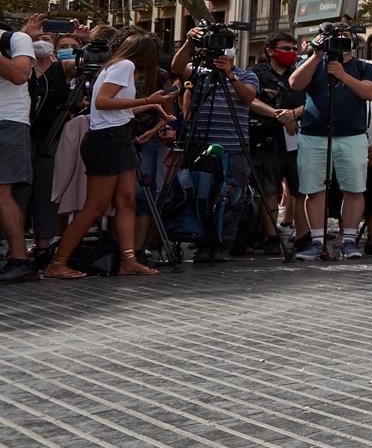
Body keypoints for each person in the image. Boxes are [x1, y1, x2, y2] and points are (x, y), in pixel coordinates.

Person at [44, 31, 175, 279]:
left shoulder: (116, 66)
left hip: (117, 137)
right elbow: (104, 102)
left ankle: (128, 259)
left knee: (127, 201)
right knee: (95, 207)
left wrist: (152, 105)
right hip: (107, 141)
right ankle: (58, 262)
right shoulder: (125, 66)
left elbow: (113, 111)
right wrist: (147, 99)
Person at [168, 25, 261, 262]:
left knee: (232, 197)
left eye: (228, 44)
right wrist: (189, 42)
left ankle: (223, 245)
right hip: (201, 145)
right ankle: (201, 242)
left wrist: (231, 76)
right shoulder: (199, 73)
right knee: (202, 194)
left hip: (235, 148)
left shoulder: (246, 74)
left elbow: (248, 97)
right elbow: (177, 68)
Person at [287, 33, 372, 259]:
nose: (339, 44)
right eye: (334, 40)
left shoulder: (363, 67)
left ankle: (348, 240)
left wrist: (342, 75)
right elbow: (295, 83)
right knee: (313, 189)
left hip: (352, 137)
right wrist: (317, 55)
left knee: (354, 189)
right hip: (314, 136)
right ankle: (317, 242)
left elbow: (370, 92)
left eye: (345, 40)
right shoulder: (314, 63)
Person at [248, 32, 306, 245]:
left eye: (293, 49)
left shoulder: (298, 74)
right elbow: (249, 99)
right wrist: (277, 115)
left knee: (300, 189)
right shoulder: (256, 73)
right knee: (269, 189)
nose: (291, 53)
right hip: (266, 138)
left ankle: (302, 235)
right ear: (270, 50)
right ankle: (271, 237)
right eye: (286, 48)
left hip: (296, 138)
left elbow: (311, 100)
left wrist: (294, 114)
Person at [0, 13, 38, 279]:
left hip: (8, 123)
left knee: (2, 193)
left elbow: (18, 74)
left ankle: (19, 260)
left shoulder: (18, 39)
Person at [27, 32, 72, 254]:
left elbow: (92, 63)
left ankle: (42, 245)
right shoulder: (20, 66)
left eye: (47, 37)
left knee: (46, 191)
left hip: (52, 137)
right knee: (19, 191)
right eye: (38, 36)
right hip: (22, 135)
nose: (42, 40)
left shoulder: (62, 69)